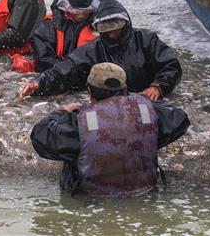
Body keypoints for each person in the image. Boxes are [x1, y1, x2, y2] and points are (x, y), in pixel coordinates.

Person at [30, 63, 190, 196]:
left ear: (89, 90)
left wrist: (62, 111)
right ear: (125, 89)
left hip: (91, 203)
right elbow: (180, 118)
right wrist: (140, 102)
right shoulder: (147, 111)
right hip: (144, 194)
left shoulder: (80, 120)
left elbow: (40, 136)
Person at [19, 0, 182, 99]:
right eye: (105, 28)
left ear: (125, 22)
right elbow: (67, 68)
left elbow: (171, 65)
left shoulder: (146, 39)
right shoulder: (93, 49)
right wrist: (39, 83)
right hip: (111, 102)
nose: (112, 33)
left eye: (116, 26)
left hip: (148, 97)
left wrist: (158, 87)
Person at [30, 0, 101, 72]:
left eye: (85, 11)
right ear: (65, 8)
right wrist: (71, 68)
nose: (81, 15)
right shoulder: (47, 28)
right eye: (76, 11)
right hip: (59, 73)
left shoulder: (99, 26)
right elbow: (43, 61)